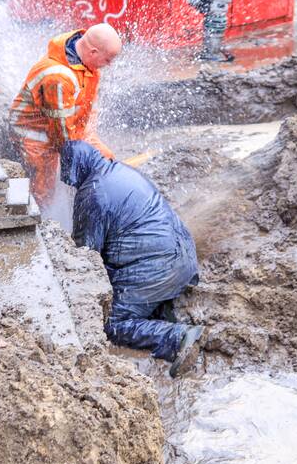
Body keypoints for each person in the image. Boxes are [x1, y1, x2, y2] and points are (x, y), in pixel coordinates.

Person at [60, 140, 206, 377]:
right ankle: (162, 311)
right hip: (185, 259)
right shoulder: (122, 170)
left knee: (112, 323)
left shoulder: (92, 193)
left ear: (76, 169)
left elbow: (86, 258)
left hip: (157, 268)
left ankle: (177, 337)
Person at [9, 24, 122, 207]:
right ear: (93, 52)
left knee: (106, 159)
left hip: (69, 127)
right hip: (35, 134)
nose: (109, 65)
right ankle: (43, 218)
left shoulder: (85, 60)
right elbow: (61, 132)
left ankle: (89, 202)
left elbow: (85, 107)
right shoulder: (58, 77)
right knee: (44, 188)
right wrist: (74, 161)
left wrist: (85, 145)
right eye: (108, 59)